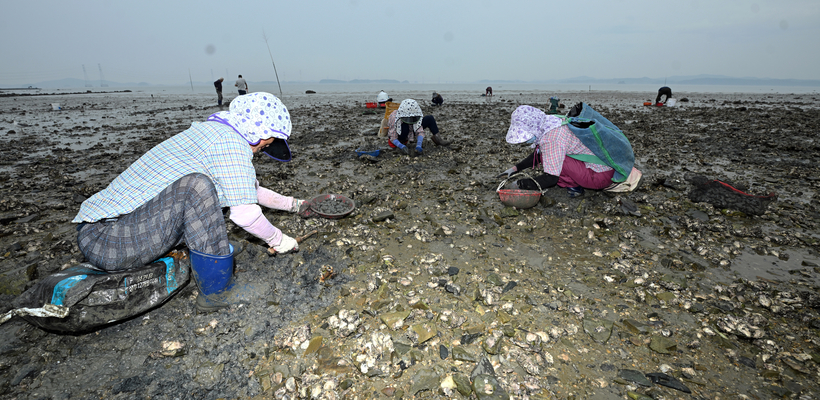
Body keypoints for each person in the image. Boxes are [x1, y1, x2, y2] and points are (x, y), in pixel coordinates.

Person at [72, 92, 305, 313]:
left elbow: (248, 191)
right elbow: (245, 214)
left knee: (205, 191)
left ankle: (217, 251)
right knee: (197, 187)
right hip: (108, 240)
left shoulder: (215, 134)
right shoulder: (230, 143)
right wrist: (279, 240)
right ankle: (217, 293)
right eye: (263, 146)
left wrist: (296, 205)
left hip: (108, 232)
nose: (258, 151)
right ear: (257, 129)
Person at [497, 104, 642, 198]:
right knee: (551, 156)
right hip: (607, 165)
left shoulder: (551, 138)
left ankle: (574, 188)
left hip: (600, 177)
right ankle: (576, 182)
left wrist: (520, 184)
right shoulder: (551, 122)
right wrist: (515, 169)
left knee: (555, 161)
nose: (523, 141)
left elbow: (551, 178)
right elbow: (539, 154)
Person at [386, 99, 451, 155]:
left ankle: (438, 140)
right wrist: (401, 146)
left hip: (411, 131)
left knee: (429, 118)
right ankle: (403, 142)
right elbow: (393, 136)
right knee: (405, 126)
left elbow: (419, 130)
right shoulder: (394, 117)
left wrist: (419, 145)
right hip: (401, 135)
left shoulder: (416, 115)